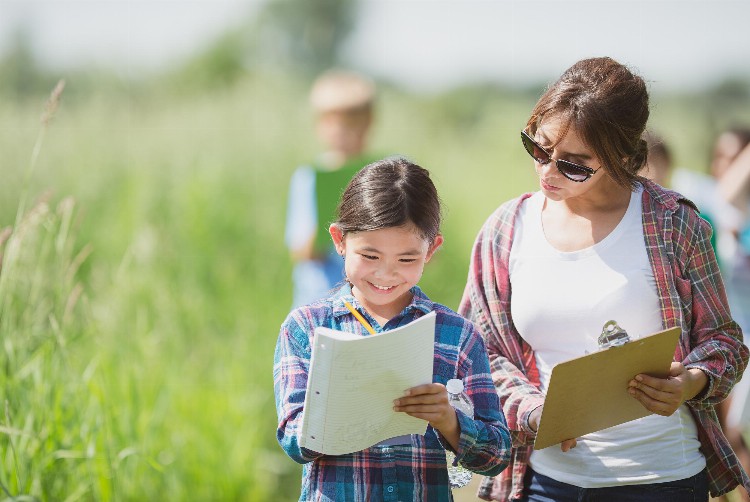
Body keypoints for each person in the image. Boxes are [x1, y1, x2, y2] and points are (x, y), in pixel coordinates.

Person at [459, 57, 750, 501]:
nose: (547, 172)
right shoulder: (505, 229)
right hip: (544, 483)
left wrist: (691, 380)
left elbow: (726, 341)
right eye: (538, 149)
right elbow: (481, 354)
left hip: (662, 481)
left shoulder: (673, 223)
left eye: (574, 164)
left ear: (621, 155)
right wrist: (535, 411)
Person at [275, 157, 512, 501]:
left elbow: (495, 456)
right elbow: (293, 443)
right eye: (369, 256)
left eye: (406, 260)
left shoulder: (456, 336)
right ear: (339, 240)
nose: (386, 274)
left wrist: (449, 420)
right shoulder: (307, 328)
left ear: (432, 249)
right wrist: (338, 409)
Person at [285, 69, 380, 308]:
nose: (342, 132)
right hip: (319, 300)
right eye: (333, 123)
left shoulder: (386, 173)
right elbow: (301, 252)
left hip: (372, 298)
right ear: (320, 125)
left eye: (352, 124)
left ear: (369, 122)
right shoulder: (308, 177)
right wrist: (330, 228)